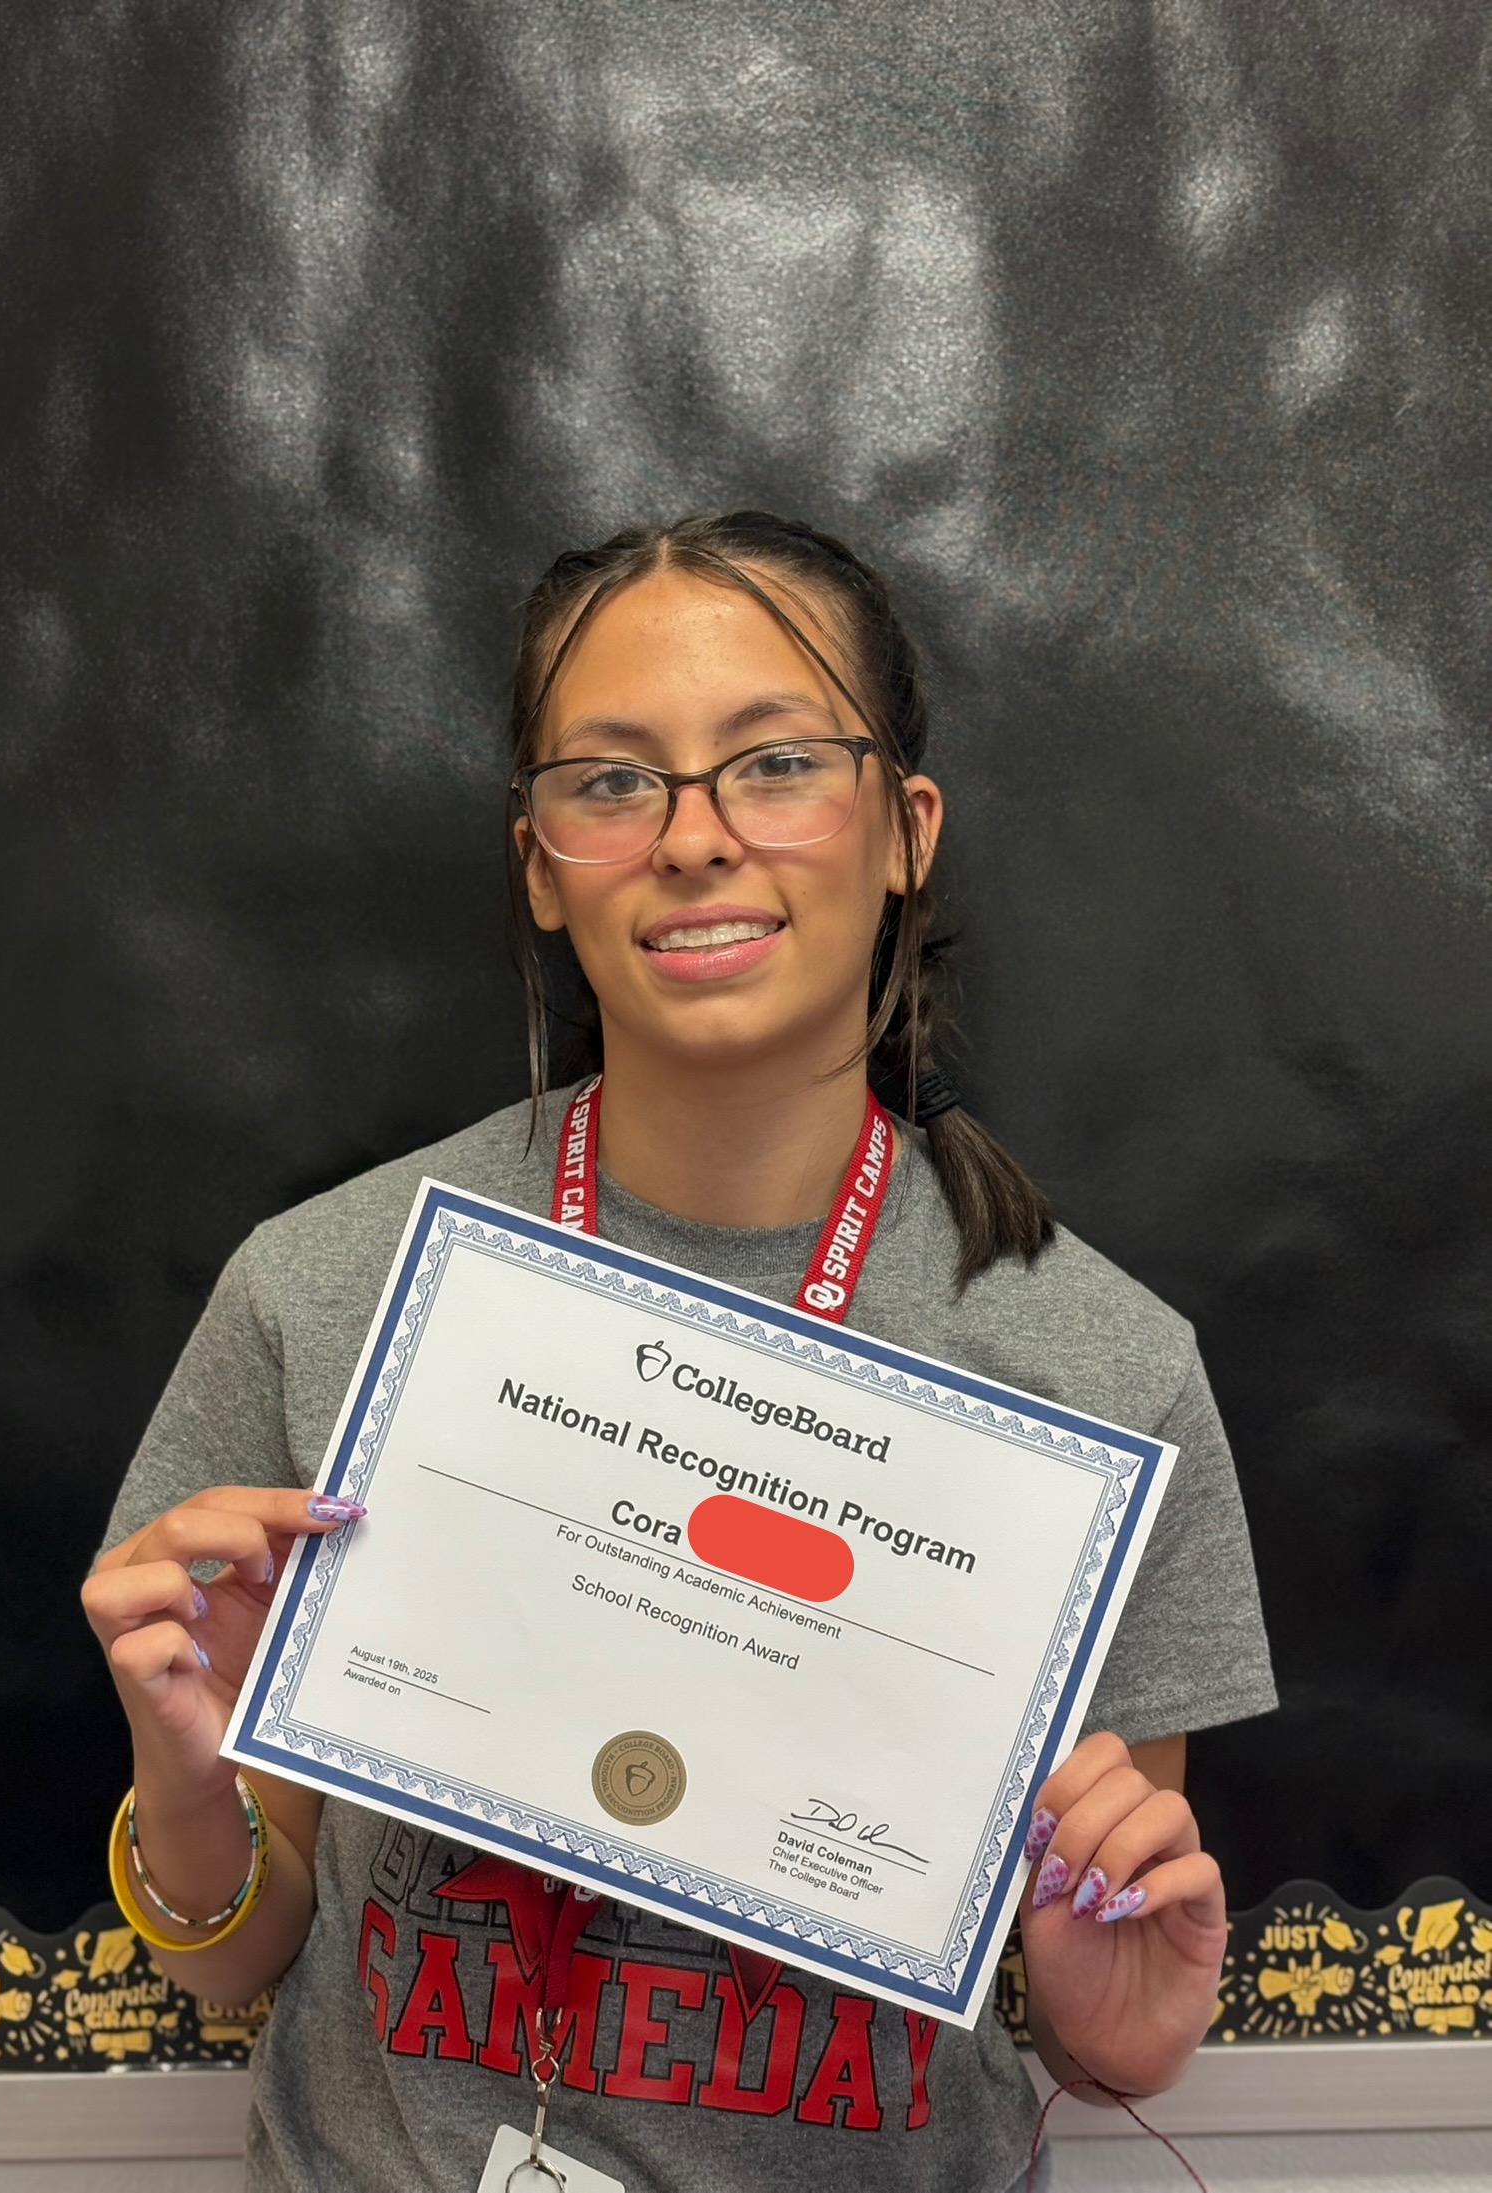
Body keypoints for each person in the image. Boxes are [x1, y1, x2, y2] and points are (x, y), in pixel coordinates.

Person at [85, 511, 1275, 2193]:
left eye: (774, 763)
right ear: (537, 861)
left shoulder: (1100, 1370)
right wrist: (189, 1772)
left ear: (901, 830)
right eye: (611, 780)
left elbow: (1100, 2016)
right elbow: (226, 1956)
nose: (694, 839)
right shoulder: (324, 1290)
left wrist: (1109, 2015)